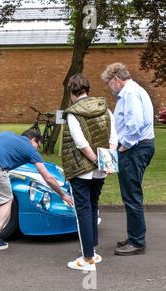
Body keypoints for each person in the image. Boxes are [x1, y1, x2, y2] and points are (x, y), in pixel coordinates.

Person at [61, 73, 118, 271]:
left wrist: (94, 161)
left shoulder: (72, 113)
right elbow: (113, 138)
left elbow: (80, 144)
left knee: (83, 210)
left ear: (72, 92)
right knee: (93, 206)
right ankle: (92, 251)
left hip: (81, 169)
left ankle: (87, 259)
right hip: (101, 169)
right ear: (88, 90)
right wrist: (105, 163)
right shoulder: (106, 109)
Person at [101, 63, 155, 256]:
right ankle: (134, 236)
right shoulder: (134, 91)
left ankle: (137, 241)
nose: (110, 88)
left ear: (116, 79)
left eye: (109, 83)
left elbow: (135, 125)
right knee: (131, 194)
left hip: (134, 148)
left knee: (131, 196)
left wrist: (123, 147)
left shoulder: (130, 93)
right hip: (140, 147)